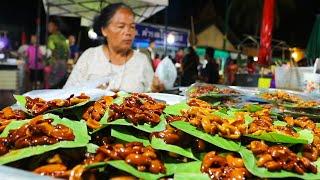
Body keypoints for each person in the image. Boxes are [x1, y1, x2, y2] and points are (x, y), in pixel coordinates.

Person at [64, 3, 163, 92]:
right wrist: (91, 92)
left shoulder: (142, 60)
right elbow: (67, 93)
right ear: (104, 30)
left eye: (132, 27)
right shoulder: (90, 56)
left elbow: (151, 94)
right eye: (121, 26)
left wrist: (155, 89)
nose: (128, 32)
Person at [47, 18, 70, 88]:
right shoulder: (63, 38)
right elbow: (68, 51)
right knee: (61, 86)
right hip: (64, 64)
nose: (49, 28)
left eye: (50, 26)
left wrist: (49, 62)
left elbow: (51, 51)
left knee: (52, 85)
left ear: (56, 27)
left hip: (55, 64)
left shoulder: (51, 38)